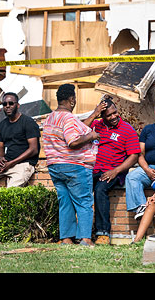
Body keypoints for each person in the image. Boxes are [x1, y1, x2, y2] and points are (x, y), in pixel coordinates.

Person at [42, 83, 100, 247]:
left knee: (65, 202)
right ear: (72, 100)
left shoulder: (50, 118)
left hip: (55, 166)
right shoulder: (68, 118)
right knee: (84, 202)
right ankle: (85, 239)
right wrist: (92, 135)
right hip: (75, 166)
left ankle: (66, 239)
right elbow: (73, 141)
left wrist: (94, 115)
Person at [82, 96, 140, 245]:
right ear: (102, 116)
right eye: (109, 115)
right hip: (93, 170)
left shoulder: (127, 130)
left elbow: (134, 156)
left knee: (101, 189)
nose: (113, 116)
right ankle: (81, 233)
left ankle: (103, 234)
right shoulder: (96, 125)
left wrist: (116, 171)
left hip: (114, 171)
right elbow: (79, 132)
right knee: (79, 189)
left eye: (115, 112)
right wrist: (94, 113)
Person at [0, 92, 41, 190]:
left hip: (23, 164)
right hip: (7, 163)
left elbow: (33, 149)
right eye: (5, 104)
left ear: (17, 105)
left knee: (11, 190)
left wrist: (12, 163)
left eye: (11, 103)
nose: (7, 106)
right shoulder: (2, 125)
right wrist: (0, 158)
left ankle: (2, 202)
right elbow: (0, 147)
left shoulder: (28, 122)